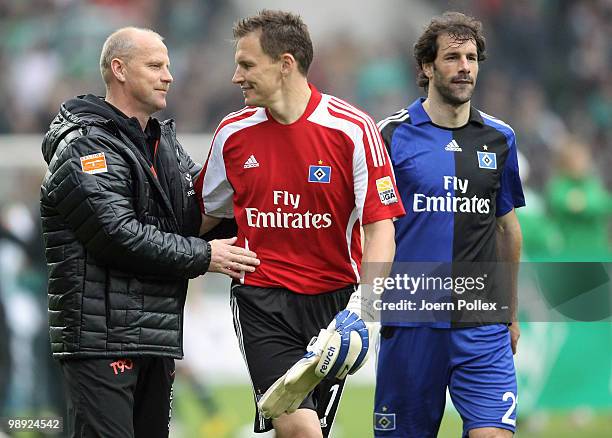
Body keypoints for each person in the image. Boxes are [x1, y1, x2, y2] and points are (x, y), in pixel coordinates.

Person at [39, 27, 259, 438]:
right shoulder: (86, 147)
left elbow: (198, 212)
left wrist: (257, 180)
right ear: (119, 70)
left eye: (168, 66)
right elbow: (117, 235)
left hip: (154, 334)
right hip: (100, 339)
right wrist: (204, 255)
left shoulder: (164, 143)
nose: (168, 76)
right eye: (156, 65)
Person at [196, 10, 405, 438]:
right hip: (261, 298)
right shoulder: (232, 133)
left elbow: (381, 226)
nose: (236, 76)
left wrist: (365, 309)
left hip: (334, 307)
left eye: (247, 64)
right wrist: (152, 250)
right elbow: (203, 215)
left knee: (312, 432)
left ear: (286, 64)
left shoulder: (353, 130)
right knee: (300, 430)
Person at [374, 12, 524, 438]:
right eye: (453, 56)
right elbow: (370, 227)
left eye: (472, 57)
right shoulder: (390, 135)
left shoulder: (500, 138)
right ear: (426, 67)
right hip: (412, 319)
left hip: (482, 321)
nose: (465, 67)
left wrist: (509, 315)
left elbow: (507, 229)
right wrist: (364, 307)